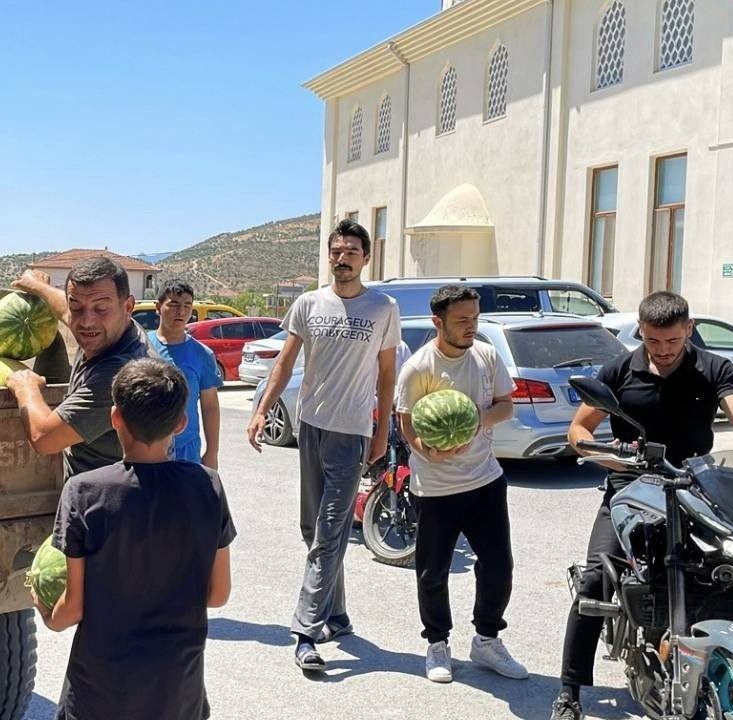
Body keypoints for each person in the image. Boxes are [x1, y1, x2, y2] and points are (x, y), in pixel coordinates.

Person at [550, 291, 733, 720]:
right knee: (593, 583)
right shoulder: (620, 370)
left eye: (672, 342)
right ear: (641, 331)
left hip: (699, 484)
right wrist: (610, 455)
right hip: (631, 485)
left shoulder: (714, 367)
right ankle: (569, 692)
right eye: (653, 341)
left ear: (689, 331)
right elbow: (578, 431)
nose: (662, 351)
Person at [35, 358, 235, 720]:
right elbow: (218, 595)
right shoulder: (208, 486)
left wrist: (46, 611)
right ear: (181, 422)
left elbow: (72, 609)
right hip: (178, 692)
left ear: (115, 418)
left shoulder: (83, 492)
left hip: (99, 694)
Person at [246, 218, 400, 670]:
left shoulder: (382, 308)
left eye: (352, 251)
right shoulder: (309, 304)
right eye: (337, 250)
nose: (343, 258)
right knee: (312, 529)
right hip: (310, 427)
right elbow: (285, 362)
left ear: (365, 258)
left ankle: (305, 631)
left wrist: (381, 430)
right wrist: (261, 411)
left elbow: (387, 375)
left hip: (351, 433)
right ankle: (338, 613)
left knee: (331, 531)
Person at [395, 284, 527, 684]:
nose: (471, 326)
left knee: (498, 565)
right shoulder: (419, 367)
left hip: (486, 480)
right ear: (439, 322)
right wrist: (427, 451)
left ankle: (487, 639)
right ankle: (437, 643)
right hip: (435, 487)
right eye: (462, 320)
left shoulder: (486, 356)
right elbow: (405, 423)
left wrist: (475, 422)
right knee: (432, 572)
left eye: (475, 318)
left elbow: (506, 405)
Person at [6, 257, 150, 480]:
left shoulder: (121, 375)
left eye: (101, 308)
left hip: (108, 502)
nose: (86, 321)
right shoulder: (115, 329)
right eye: (77, 307)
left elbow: (44, 438)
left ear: (128, 306)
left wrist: (26, 387)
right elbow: (65, 308)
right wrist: (39, 286)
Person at [148, 279, 222, 468]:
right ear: (158, 307)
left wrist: (212, 452)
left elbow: (210, 406)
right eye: (173, 305)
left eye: (187, 306)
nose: (181, 312)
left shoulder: (202, 354)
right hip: (145, 449)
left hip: (187, 451)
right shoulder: (141, 346)